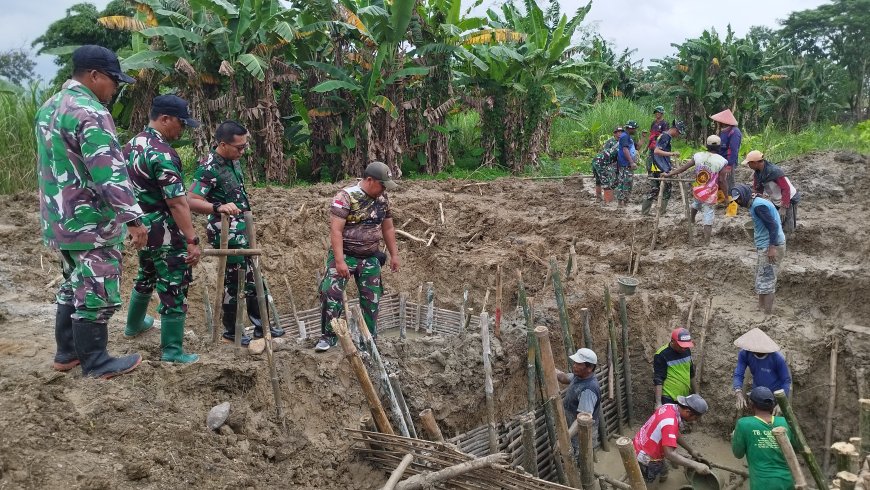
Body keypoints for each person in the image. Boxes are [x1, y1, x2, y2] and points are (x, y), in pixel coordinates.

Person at [36, 45, 146, 379]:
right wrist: (134, 218)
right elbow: (108, 172)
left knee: (73, 283)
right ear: (94, 75)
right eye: (113, 80)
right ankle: (96, 361)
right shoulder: (90, 112)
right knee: (98, 288)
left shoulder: (50, 107)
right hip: (90, 220)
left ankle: (67, 352)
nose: (115, 88)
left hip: (60, 218)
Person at [188, 121, 286, 345]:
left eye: (245, 146)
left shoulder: (234, 161)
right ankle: (231, 333)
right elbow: (191, 200)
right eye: (239, 147)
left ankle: (263, 328)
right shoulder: (209, 167)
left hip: (243, 230)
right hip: (226, 232)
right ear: (223, 144)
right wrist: (217, 207)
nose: (243, 151)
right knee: (235, 282)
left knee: (254, 278)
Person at [123, 95, 202, 364]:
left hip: (140, 227)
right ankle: (172, 351)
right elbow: (177, 202)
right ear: (165, 118)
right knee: (174, 284)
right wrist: (192, 238)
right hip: (165, 230)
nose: (182, 129)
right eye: (181, 123)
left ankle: (134, 324)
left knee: (146, 272)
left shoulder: (131, 145)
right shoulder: (163, 153)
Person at [315, 161, 401, 352]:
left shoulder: (383, 199)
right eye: (382, 185)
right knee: (330, 293)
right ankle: (328, 337)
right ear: (370, 180)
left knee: (372, 299)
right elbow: (336, 231)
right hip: (346, 254)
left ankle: (368, 339)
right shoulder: (345, 197)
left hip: (370, 256)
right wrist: (339, 261)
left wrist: (394, 254)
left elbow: (388, 227)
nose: (384, 190)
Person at [730, 184, 786, 314]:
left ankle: (767, 313)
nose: (737, 202)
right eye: (735, 200)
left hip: (771, 246)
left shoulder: (759, 206)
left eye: (739, 199)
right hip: (765, 245)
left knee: (768, 279)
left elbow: (773, 226)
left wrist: (772, 247)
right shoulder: (755, 202)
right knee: (762, 276)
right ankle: (760, 307)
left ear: (745, 195)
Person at [664, 135, 728, 244]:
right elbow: (722, 180)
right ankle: (707, 241)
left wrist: (669, 174)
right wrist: (726, 197)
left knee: (697, 203)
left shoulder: (698, 156)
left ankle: (692, 219)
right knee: (708, 214)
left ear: (706, 146)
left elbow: (684, 167)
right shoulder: (722, 161)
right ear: (719, 147)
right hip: (710, 193)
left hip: (698, 189)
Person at [633, 394, 711, 483]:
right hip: (646, 455)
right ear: (687, 412)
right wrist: (696, 465)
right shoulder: (670, 422)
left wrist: (691, 450)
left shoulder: (669, 407)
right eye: (695, 418)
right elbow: (669, 454)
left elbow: (674, 433)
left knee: (663, 472)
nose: (695, 421)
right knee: (649, 481)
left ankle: (659, 474)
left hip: (641, 441)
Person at [732, 387, 796, 490]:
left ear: (752, 405)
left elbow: (738, 454)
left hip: (762, 484)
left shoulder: (744, 424)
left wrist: (734, 437)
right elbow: (796, 449)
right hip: (787, 482)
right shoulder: (785, 422)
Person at [733, 328, 791, 410]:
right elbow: (738, 374)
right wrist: (738, 392)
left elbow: (786, 381)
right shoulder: (745, 354)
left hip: (775, 395)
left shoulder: (777, 358)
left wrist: (782, 403)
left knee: (775, 420)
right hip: (757, 394)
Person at [743, 150, 800, 234]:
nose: (748, 165)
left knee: (786, 222)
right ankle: (779, 238)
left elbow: (786, 189)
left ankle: (787, 240)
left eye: (749, 163)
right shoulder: (758, 173)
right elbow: (758, 189)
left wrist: (784, 207)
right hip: (776, 198)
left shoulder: (774, 171)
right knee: (776, 220)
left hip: (788, 198)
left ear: (755, 163)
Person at [556, 348, 601, 450]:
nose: (574, 365)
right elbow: (564, 378)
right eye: (575, 362)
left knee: (580, 459)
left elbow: (581, 420)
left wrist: (565, 439)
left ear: (590, 368)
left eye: (579, 364)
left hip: (581, 434)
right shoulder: (579, 377)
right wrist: (552, 369)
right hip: (572, 429)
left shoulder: (588, 390)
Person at [641, 120, 686, 216]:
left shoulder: (665, 136)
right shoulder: (665, 136)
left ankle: (649, 212)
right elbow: (657, 151)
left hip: (657, 164)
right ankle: (659, 212)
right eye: (678, 132)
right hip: (657, 164)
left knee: (655, 188)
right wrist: (672, 153)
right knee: (664, 188)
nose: (678, 135)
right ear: (675, 129)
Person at [654, 328, 697, 408]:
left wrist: (696, 393)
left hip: (683, 398)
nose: (684, 349)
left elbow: (691, 373)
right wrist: (658, 403)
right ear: (673, 341)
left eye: (686, 346)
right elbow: (658, 379)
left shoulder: (686, 350)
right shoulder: (661, 354)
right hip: (668, 398)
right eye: (681, 346)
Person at [710, 109, 742, 196]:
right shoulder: (724, 131)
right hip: (720, 161)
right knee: (720, 180)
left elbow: (733, 150)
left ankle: (731, 199)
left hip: (727, 161)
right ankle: (722, 198)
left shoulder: (734, 132)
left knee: (728, 181)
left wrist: (729, 165)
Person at [590, 127, 621, 203]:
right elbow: (607, 154)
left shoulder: (621, 143)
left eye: (621, 132)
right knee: (606, 182)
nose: (620, 133)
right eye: (618, 132)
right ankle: (608, 202)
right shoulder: (611, 142)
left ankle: (599, 198)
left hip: (597, 160)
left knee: (599, 180)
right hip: (602, 162)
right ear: (615, 133)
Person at [615, 121, 639, 208]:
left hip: (626, 163)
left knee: (626, 182)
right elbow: (625, 150)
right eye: (634, 128)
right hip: (625, 164)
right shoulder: (625, 137)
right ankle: (622, 202)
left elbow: (636, 147)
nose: (635, 130)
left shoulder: (627, 137)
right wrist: (631, 162)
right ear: (630, 128)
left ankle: (623, 202)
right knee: (625, 182)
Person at [642, 106, 670, 174]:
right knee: (650, 163)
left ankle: (660, 180)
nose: (657, 114)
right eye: (656, 113)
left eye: (658, 112)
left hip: (659, 147)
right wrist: (646, 147)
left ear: (662, 113)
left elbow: (665, 137)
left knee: (659, 164)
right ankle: (652, 179)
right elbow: (651, 136)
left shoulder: (664, 123)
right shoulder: (653, 123)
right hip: (652, 147)